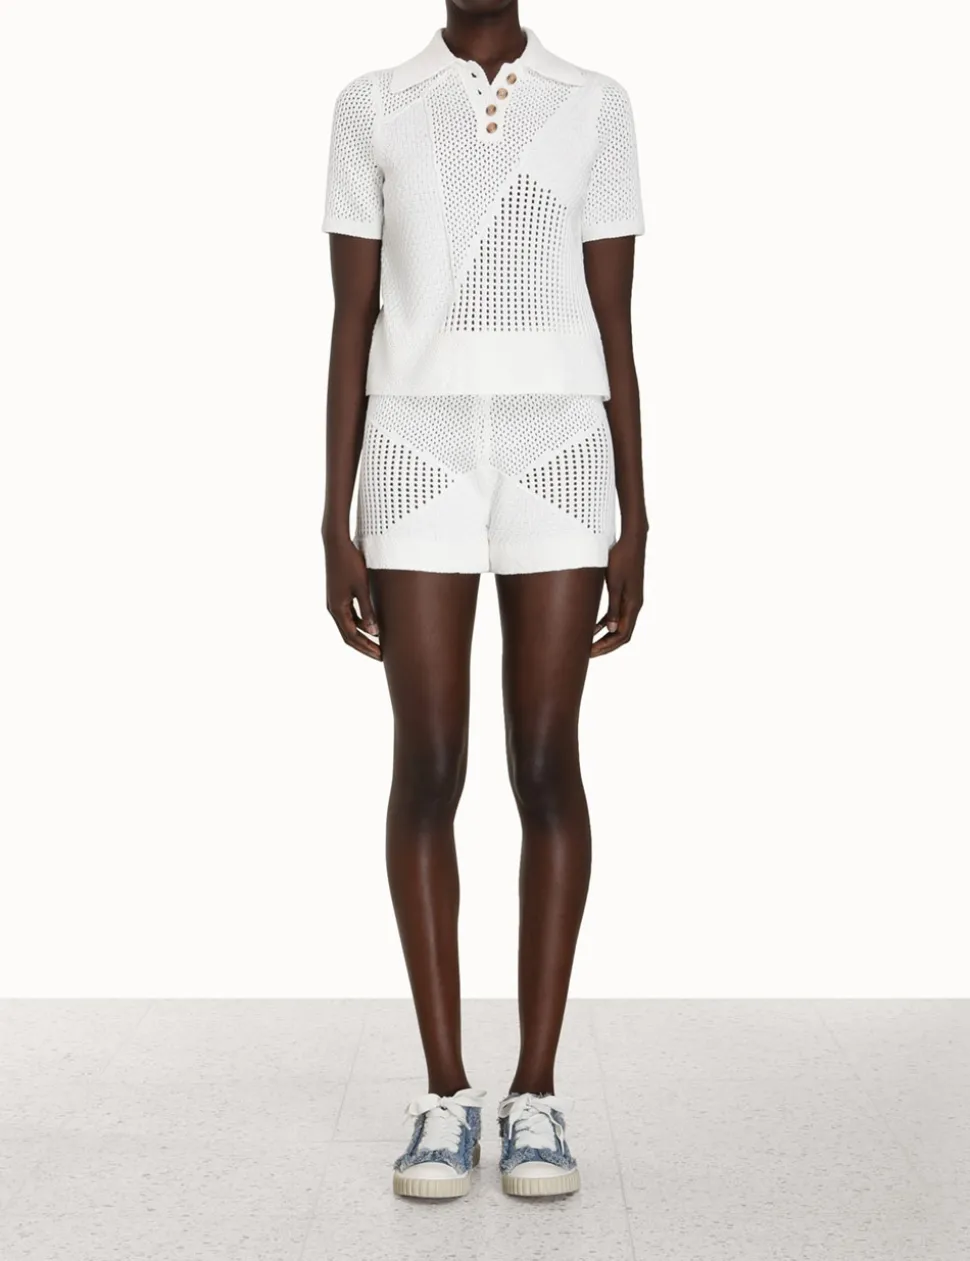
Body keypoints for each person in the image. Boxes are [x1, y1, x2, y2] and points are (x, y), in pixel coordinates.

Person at [321, 0, 646, 1199]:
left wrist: (636, 513)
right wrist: (334, 514)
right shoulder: (372, 105)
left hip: (560, 446)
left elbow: (614, 322)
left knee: (547, 760)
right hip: (414, 446)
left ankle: (538, 1094)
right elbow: (350, 319)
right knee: (429, 762)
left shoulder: (595, 105)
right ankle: (445, 1094)